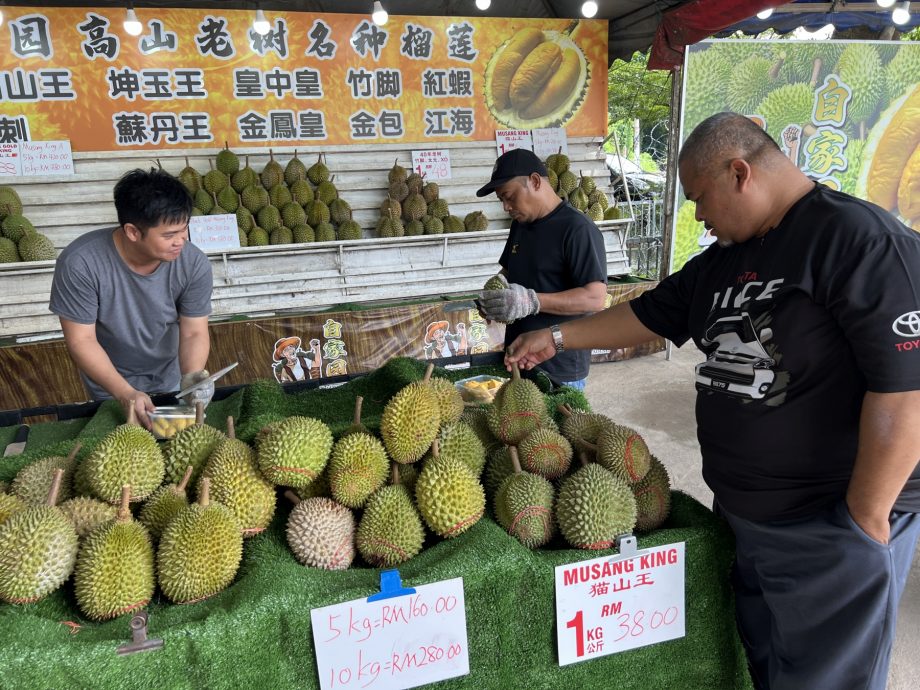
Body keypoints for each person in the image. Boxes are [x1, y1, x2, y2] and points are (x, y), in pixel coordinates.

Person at [505, 113, 920, 690]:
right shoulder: (724, 260)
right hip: (747, 516)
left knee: (830, 678)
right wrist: (554, 337)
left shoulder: (861, 241)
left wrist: (863, 523)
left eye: (700, 197)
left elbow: (905, 394)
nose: (697, 214)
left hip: (827, 524)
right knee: (766, 664)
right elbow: (648, 313)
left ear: (740, 173)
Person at [49, 168, 214, 428]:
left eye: (184, 230)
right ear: (133, 232)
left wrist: (192, 377)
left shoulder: (194, 263)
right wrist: (124, 393)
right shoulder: (80, 263)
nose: (181, 241)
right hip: (110, 383)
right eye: (169, 235)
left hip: (170, 379)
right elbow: (82, 340)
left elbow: (193, 332)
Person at [475, 148, 607, 390]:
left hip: (559, 367)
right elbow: (508, 273)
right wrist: (494, 297)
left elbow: (595, 298)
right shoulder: (520, 226)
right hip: (518, 359)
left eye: (509, 196)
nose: (506, 207)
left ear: (535, 182)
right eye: (501, 200)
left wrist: (531, 301)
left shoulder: (578, 229)